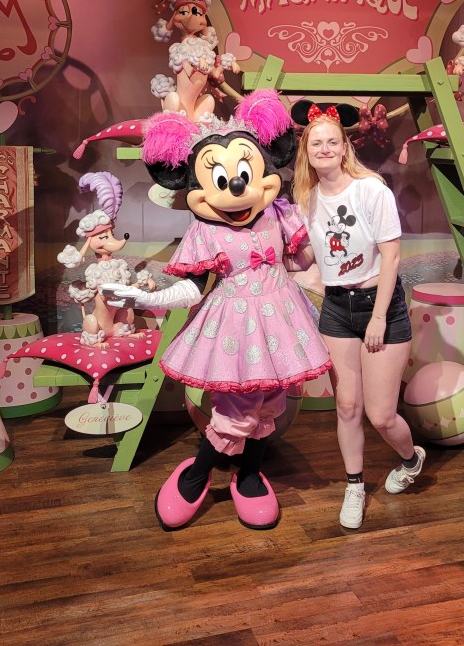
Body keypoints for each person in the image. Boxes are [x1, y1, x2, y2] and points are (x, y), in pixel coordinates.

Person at [103, 90, 331, 531]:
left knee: (270, 404)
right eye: (222, 180)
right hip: (234, 326)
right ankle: (198, 473)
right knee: (238, 411)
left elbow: (302, 260)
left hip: (281, 318)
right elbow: (192, 288)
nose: (238, 188)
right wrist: (145, 299)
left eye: (245, 174)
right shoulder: (205, 231)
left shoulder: (279, 214)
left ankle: (249, 474)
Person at [291, 101, 425, 530]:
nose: (325, 148)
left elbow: (392, 257)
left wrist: (379, 317)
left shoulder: (371, 190)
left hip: (379, 305)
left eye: (332, 141)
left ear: (345, 146)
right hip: (336, 307)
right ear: (306, 150)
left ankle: (411, 459)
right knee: (347, 406)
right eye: (317, 143)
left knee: (381, 415)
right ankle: (354, 486)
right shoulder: (306, 198)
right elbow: (311, 254)